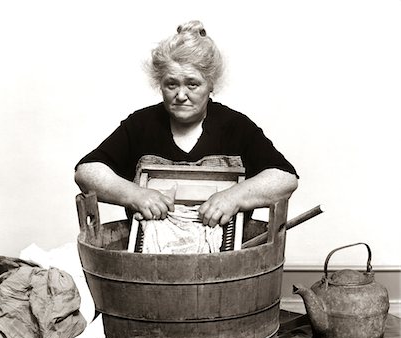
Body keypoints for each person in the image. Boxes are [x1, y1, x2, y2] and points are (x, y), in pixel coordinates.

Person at [75, 20, 298, 228]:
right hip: (150, 262)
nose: (181, 95)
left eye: (192, 84)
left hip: (226, 264)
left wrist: (234, 197)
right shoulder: (141, 125)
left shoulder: (235, 126)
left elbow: (285, 178)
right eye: (171, 84)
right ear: (159, 85)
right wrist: (134, 195)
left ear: (211, 85)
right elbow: (86, 172)